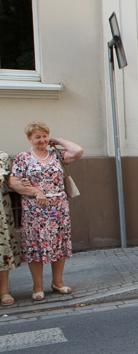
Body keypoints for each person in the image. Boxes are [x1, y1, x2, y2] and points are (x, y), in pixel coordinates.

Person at [10, 122, 84, 298]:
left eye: (44, 136)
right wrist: (35, 192)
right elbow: (13, 182)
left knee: (59, 242)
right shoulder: (23, 158)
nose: (42, 140)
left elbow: (78, 151)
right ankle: (38, 287)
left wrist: (57, 140)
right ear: (29, 139)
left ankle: (58, 282)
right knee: (35, 245)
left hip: (57, 208)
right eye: (37, 137)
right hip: (35, 209)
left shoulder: (56, 154)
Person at [0, 151, 22, 306]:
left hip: (1, 211)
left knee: (2, 249)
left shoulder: (3, 157)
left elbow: (11, 183)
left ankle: (3, 290)